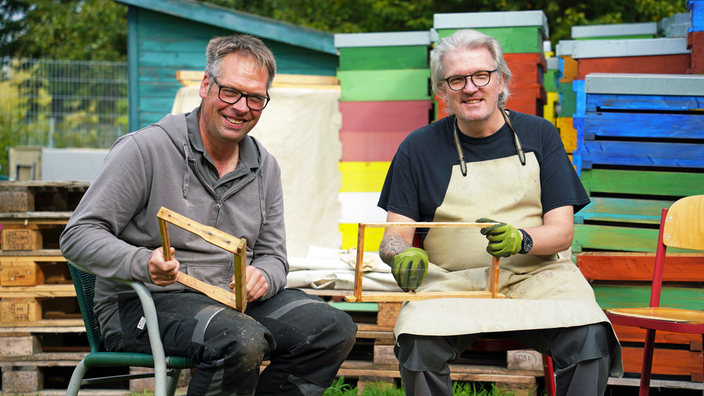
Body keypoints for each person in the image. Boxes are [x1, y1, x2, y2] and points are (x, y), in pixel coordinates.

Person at [60, 34, 357, 396]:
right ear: (205, 85)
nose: (241, 107)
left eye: (255, 98)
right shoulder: (145, 149)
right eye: (230, 91)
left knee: (331, 328)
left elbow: (275, 256)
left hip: (229, 304)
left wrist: (263, 274)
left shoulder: (265, 168)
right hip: (142, 304)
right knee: (238, 338)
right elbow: (78, 235)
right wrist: (142, 262)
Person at [377, 29, 623, 396]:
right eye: (456, 79)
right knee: (417, 344)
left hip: (537, 276)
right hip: (450, 284)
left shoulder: (540, 134)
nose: (470, 88)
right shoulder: (418, 147)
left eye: (481, 76)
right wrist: (400, 254)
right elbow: (393, 236)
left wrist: (522, 239)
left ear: (501, 80)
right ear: (441, 91)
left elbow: (562, 232)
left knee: (589, 336)